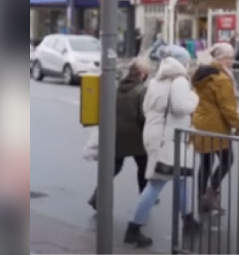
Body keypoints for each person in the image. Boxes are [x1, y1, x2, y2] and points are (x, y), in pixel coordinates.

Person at [124, 45, 201, 247]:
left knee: (183, 177)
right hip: (169, 138)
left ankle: (188, 218)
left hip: (156, 134)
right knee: (157, 183)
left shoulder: (158, 80)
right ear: (182, 62)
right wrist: (195, 97)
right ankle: (134, 227)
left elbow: (146, 106)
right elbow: (182, 107)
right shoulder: (179, 80)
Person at [84, 58, 150, 211]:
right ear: (141, 74)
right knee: (143, 167)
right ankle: (144, 199)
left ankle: (96, 196)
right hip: (137, 135)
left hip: (116, 133)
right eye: (146, 73)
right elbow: (143, 115)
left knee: (113, 167)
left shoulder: (118, 87)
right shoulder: (141, 90)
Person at [191, 43, 239, 214]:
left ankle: (202, 199)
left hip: (201, 120)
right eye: (229, 57)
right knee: (227, 160)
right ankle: (210, 194)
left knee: (206, 163)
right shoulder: (221, 79)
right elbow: (227, 107)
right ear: (221, 58)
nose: (232, 60)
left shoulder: (203, 73)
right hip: (215, 124)